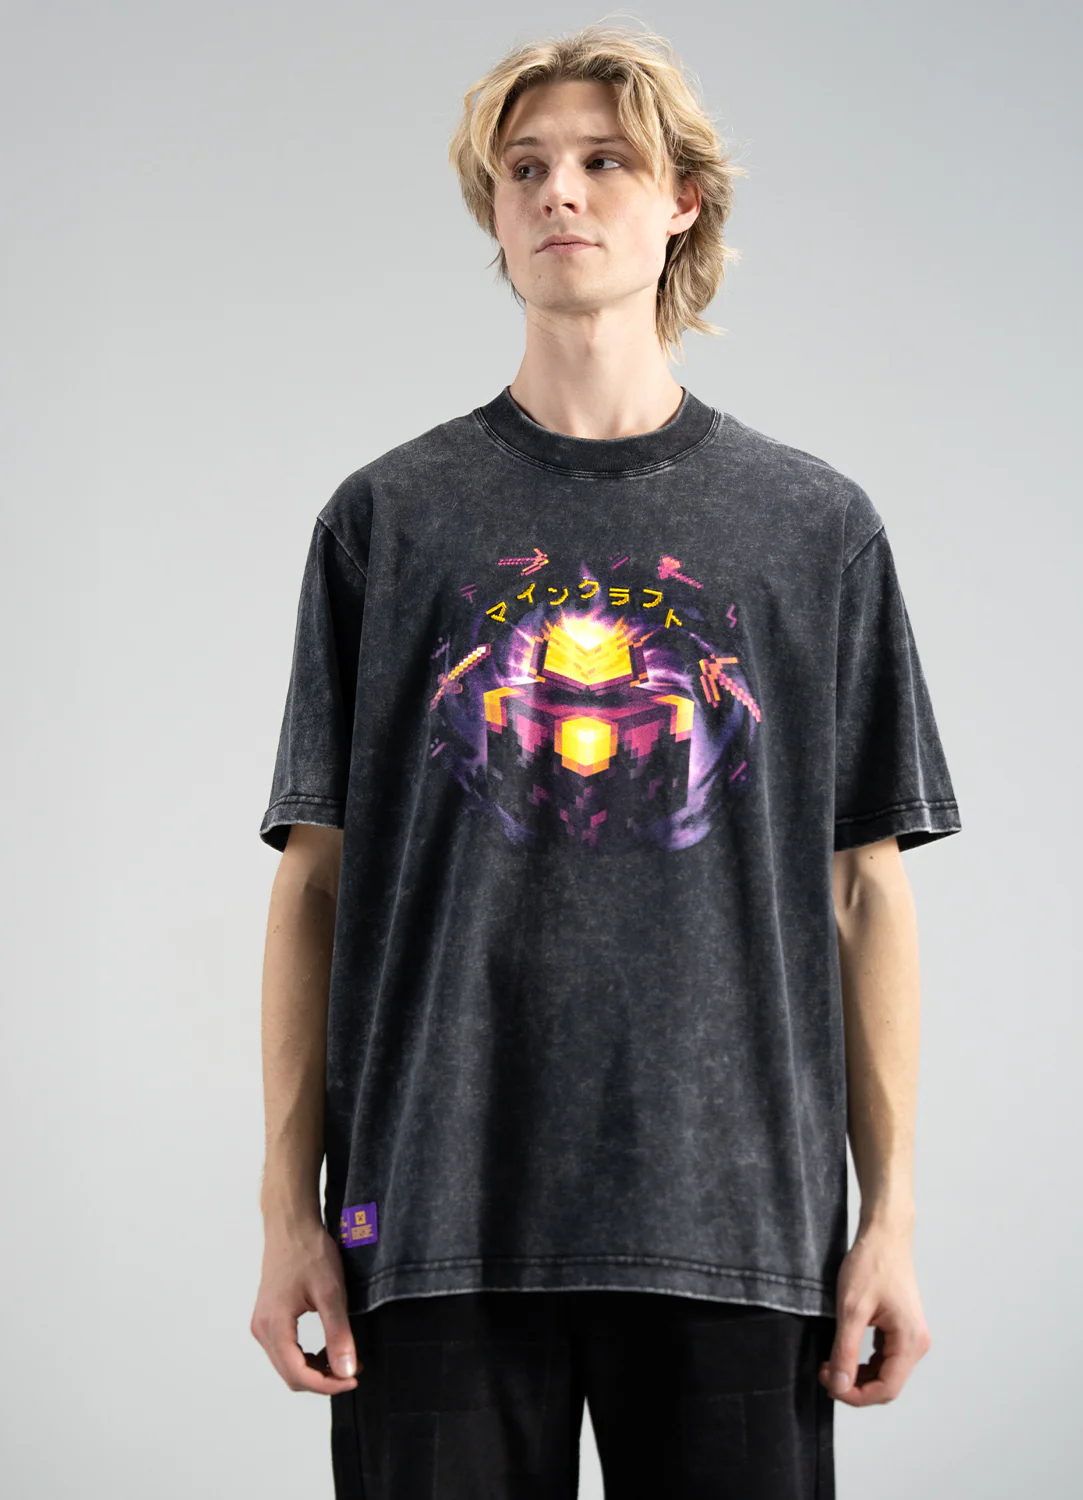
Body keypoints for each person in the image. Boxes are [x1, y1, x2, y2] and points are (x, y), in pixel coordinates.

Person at [249, 22, 961, 1499]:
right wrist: (287, 1208)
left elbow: (863, 891)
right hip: (427, 1219)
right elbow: (315, 884)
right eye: (525, 168)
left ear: (683, 199)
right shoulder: (387, 521)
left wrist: (889, 1217)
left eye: (604, 162)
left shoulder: (812, 528)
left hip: (738, 1221)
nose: (559, 193)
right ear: (493, 209)